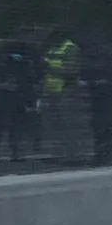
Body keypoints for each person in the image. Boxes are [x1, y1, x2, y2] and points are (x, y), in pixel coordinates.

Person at [0, 39, 40, 162]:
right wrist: (2, 84)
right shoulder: (6, 54)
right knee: (2, 124)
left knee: (16, 124)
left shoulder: (29, 54)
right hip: (6, 95)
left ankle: (15, 151)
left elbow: (35, 74)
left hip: (20, 94)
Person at [80, 28, 112, 165]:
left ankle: (105, 151)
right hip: (96, 94)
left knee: (104, 123)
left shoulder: (107, 53)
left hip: (106, 93)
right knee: (98, 124)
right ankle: (101, 151)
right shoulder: (91, 54)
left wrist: (104, 81)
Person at [43, 30, 82, 163]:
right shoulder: (53, 48)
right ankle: (59, 154)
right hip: (51, 91)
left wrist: (50, 69)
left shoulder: (71, 48)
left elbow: (72, 70)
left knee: (68, 124)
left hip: (66, 91)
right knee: (55, 124)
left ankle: (71, 155)